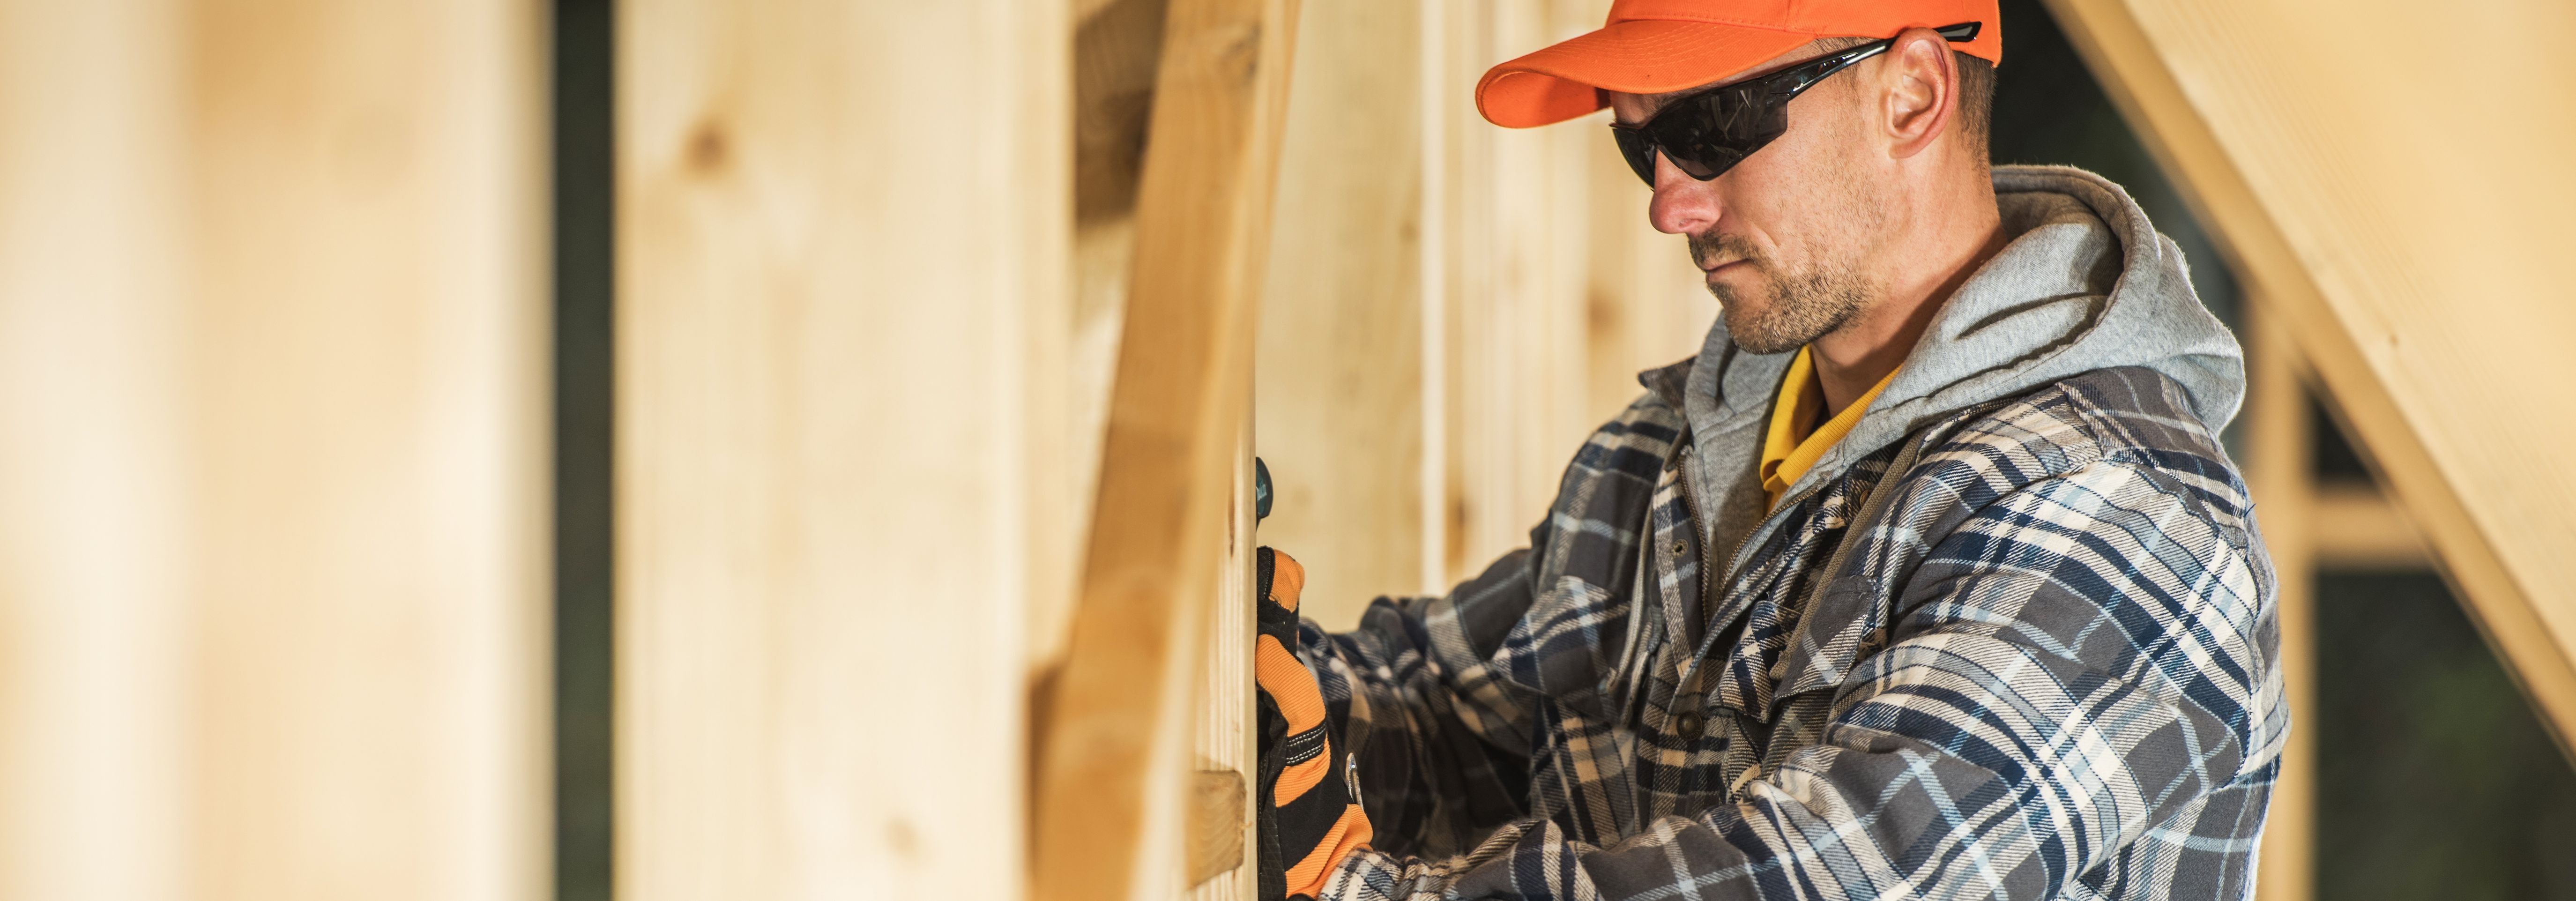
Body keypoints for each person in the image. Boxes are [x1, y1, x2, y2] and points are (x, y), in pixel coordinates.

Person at [1248, 0, 2286, 899]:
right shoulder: (1677, 448)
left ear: (1911, 95)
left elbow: (1821, 877)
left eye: (1714, 125)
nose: (1669, 204)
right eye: (1640, 143)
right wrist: (1253, 682)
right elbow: (1464, 714)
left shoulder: (2118, 510)